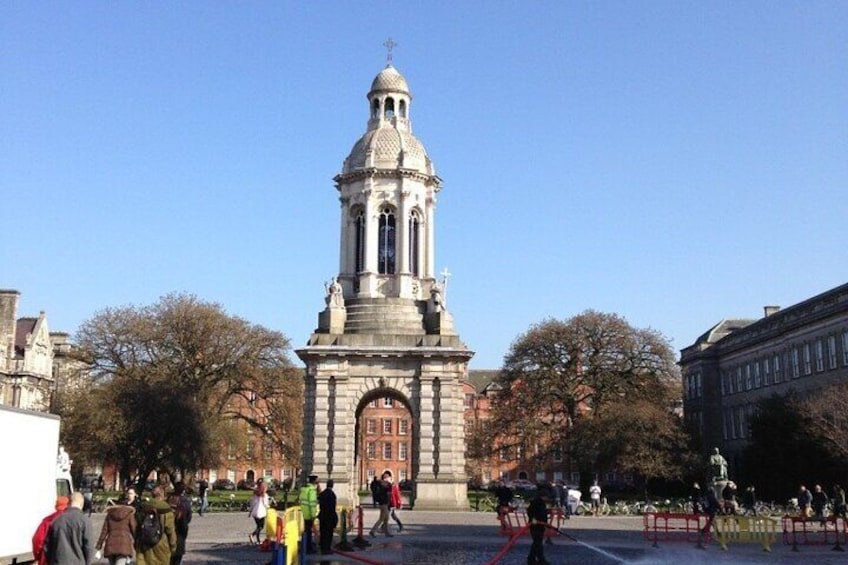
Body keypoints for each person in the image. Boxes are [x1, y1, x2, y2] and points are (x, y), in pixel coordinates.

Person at [44, 491, 93, 565]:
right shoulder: (85, 521)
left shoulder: (57, 520)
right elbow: (88, 546)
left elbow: (47, 546)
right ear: (82, 504)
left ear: (69, 503)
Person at [135, 485, 177, 565]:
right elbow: (170, 531)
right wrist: (173, 546)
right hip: (161, 543)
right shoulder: (165, 509)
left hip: (144, 543)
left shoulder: (144, 506)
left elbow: (137, 525)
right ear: (162, 495)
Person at [95, 495, 137, 565]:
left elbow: (104, 532)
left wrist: (99, 546)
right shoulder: (129, 514)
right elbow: (134, 530)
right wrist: (137, 543)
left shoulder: (110, 515)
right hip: (124, 545)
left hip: (110, 545)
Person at [32, 496, 69, 565]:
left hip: (48, 559)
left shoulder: (48, 520)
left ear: (56, 506)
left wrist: (38, 556)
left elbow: (37, 540)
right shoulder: (73, 520)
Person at [167, 481, 192, 565]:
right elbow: (188, 519)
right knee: (177, 560)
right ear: (183, 491)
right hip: (179, 535)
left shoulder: (168, 500)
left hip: (168, 535)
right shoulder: (185, 502)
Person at [526, 486, 550, 565]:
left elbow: (543, 514)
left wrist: (546, 523)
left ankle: (531, 559)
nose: (547, 499)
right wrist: (533, 519)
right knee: (538, 543)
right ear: (543, 496)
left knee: (537, 543)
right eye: (546, 497)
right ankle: (540, 560)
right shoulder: (536, 502)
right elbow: (530, 511)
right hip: (535, 526)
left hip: (540, 526)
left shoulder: (541, 503)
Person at [298, 474, 319, 553]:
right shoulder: (311, 490)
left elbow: (301, 501)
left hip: (304, 513)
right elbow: (312, 504)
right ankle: (308, 548)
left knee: (306, 531)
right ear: (314, 482)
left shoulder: (304, 489)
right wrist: (313, 515)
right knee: (309, 532)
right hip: (310, 514)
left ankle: (305, 546)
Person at [317, 479, 338, 554]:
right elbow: (333, 507)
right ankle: (327, 548)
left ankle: (322, 547)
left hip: (322, 515)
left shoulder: (322, 493)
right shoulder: (332, 495)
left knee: (323, 532)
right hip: (329, 516)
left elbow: (319, 500)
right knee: (329, 534)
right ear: (332, 485)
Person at [369, 472, 392, 537]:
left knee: (386, 518)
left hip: (381, 502)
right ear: (386, 478)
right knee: (382, 518)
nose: (389, 478)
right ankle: (373, 531)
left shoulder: (380, 483)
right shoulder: (387, 484)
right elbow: (389, 494)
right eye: (388, 477)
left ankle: (386, 532)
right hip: (384, 502)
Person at [248, 478, 270, 545]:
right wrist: (269, 508)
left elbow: (252, 503)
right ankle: (252, 535)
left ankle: (257, 539)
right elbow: (266, 504)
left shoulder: (255, 494)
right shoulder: (264, 495)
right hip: (261, 512)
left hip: (255, 512)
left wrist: (250, 512)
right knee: (261, 527)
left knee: (258, 526)